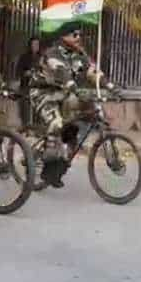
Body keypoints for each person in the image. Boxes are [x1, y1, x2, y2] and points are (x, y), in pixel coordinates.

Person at [29, 26, 116, 187]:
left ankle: (66, 148)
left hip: (64, 94)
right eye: (74, 35)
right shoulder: (52, 53)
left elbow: (93, 72)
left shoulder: (79, 54)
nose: (78, 37)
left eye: (79, 34)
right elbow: (62, 72)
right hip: (43, 93)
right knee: (56, 124)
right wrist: (74, 87)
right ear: (63, 37)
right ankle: (49, 166)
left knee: (81, 117)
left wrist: (110, 86)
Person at [15, 37, 41, 128]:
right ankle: (25, 126)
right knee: (25, 107)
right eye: (34, 44)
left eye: (37, 44)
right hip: (25, 85)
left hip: (38, 86)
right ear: (30, 45)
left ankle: (36, 127)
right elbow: (18, 71)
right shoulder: (24, 57)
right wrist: (26, 73)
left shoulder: (41, 57)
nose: (35, 46)